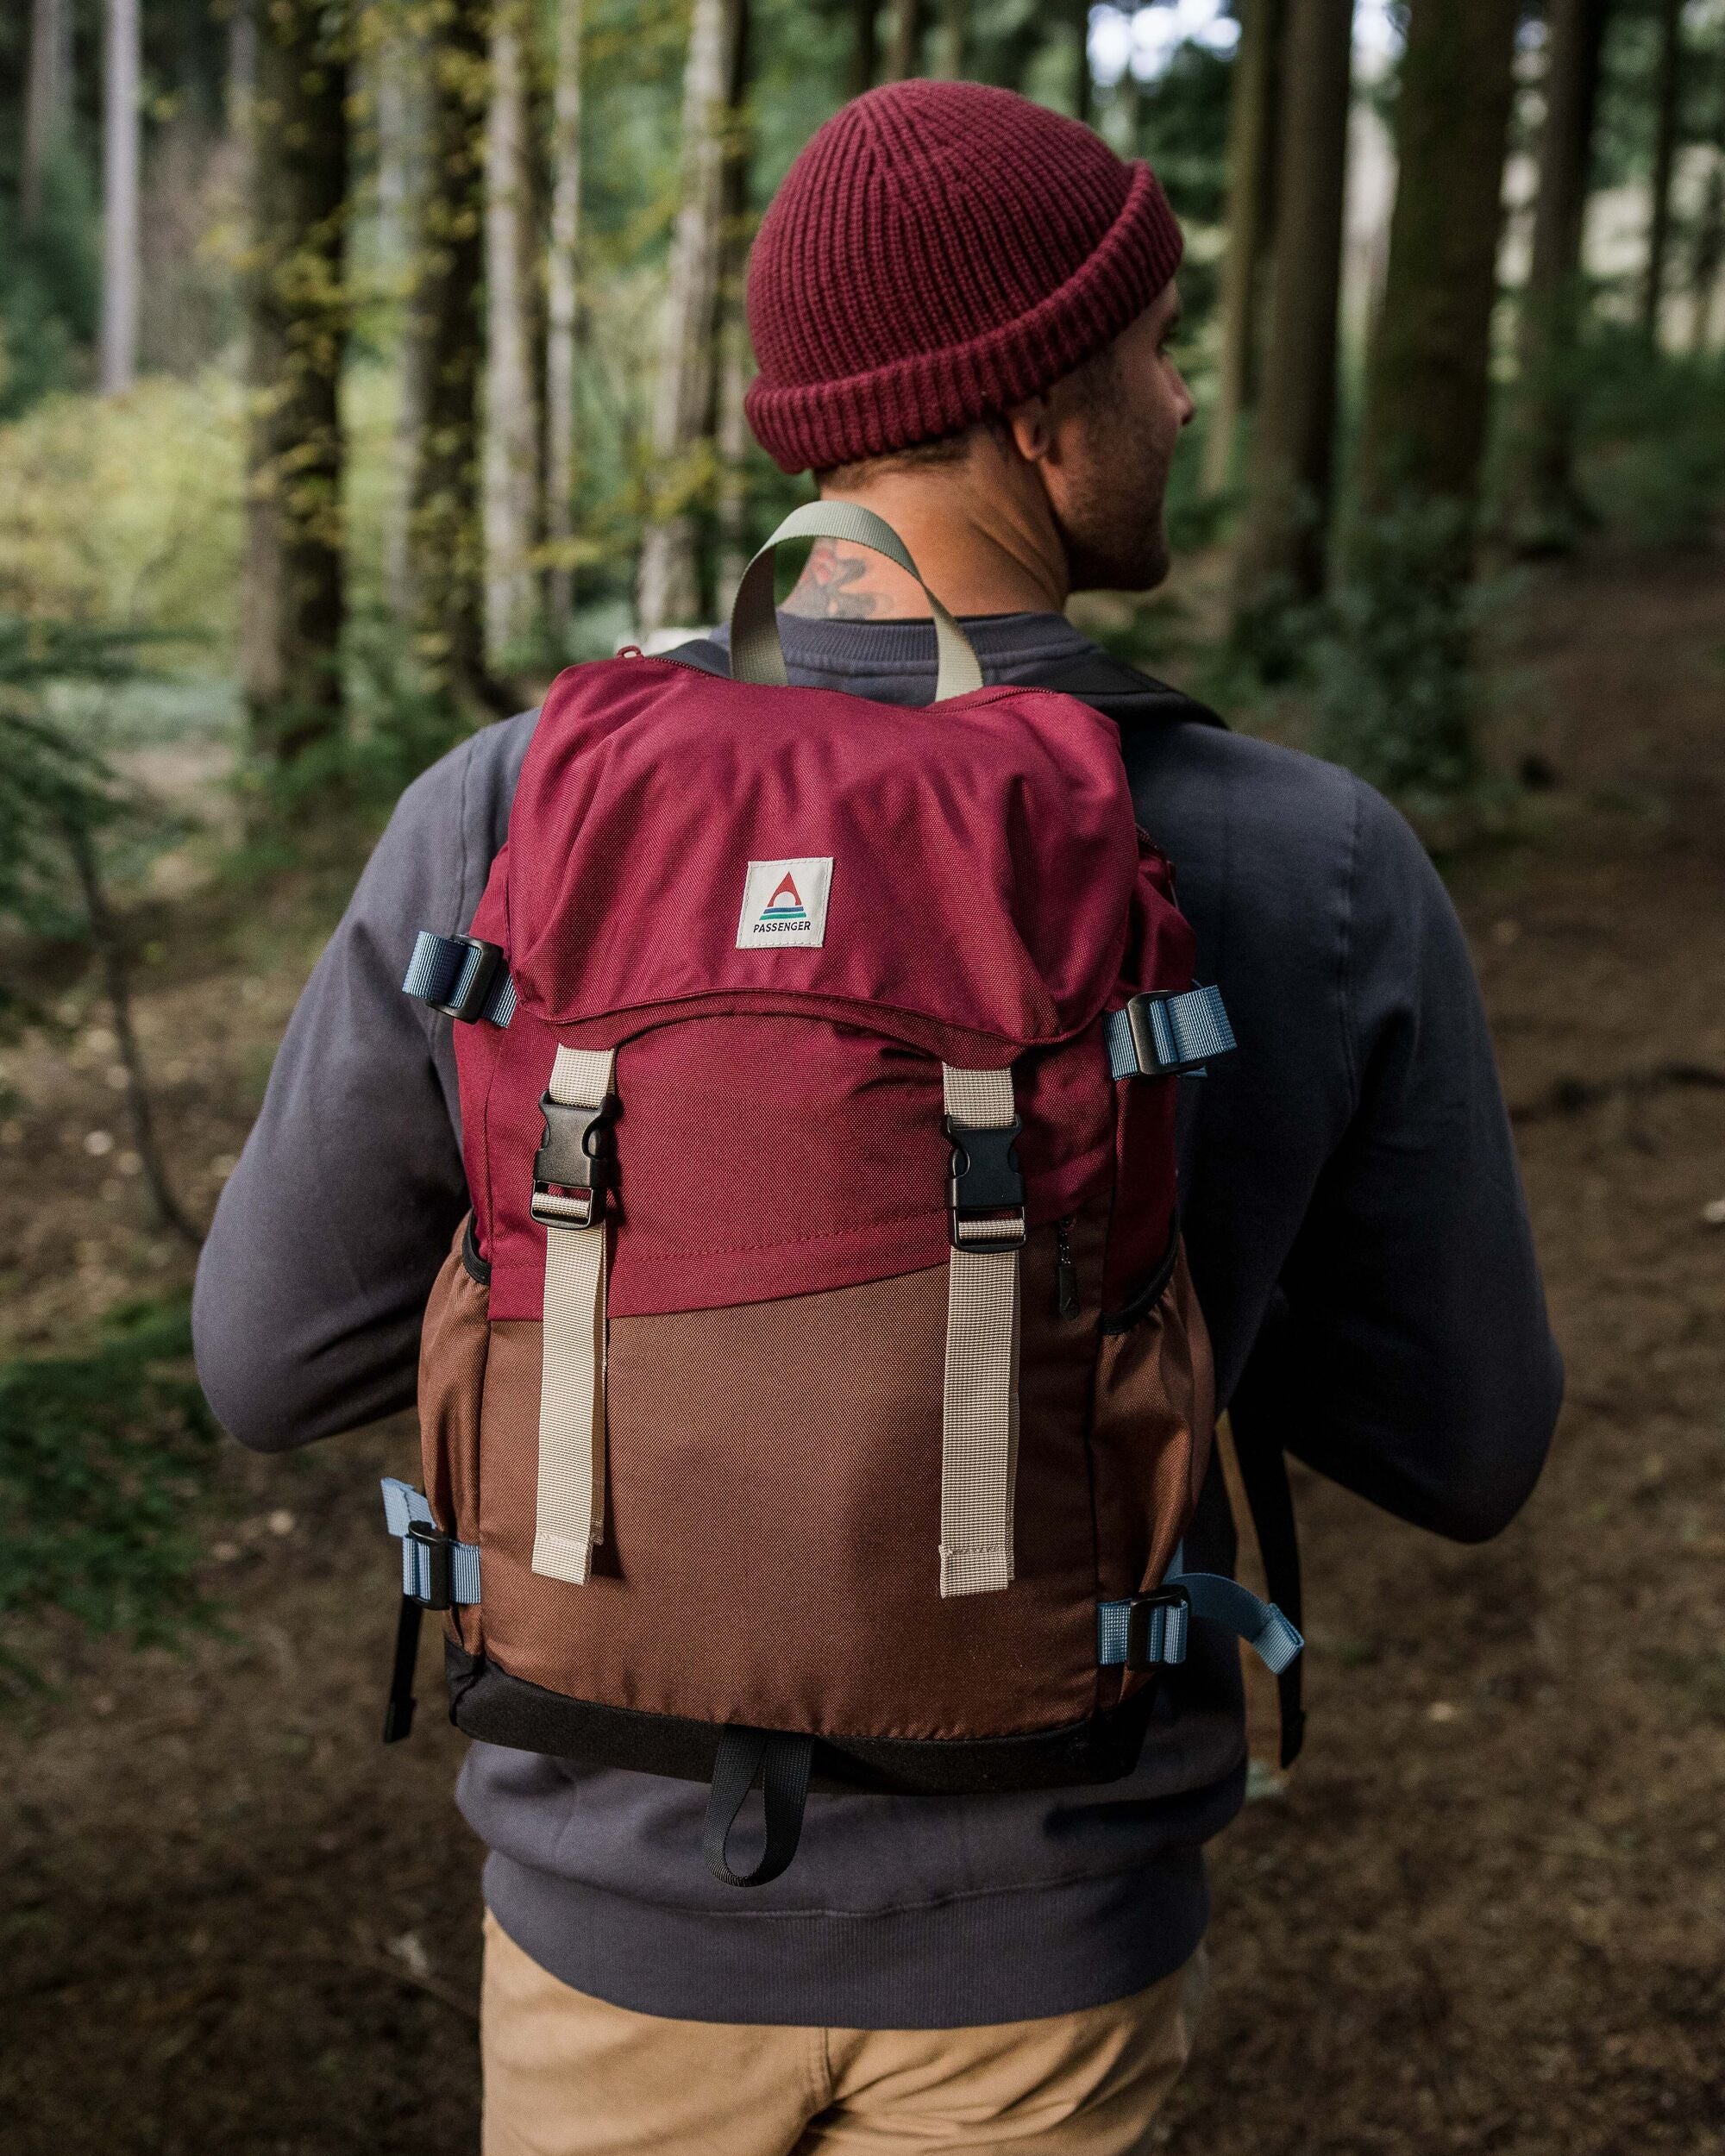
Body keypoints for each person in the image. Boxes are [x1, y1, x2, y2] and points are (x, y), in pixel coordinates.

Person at [194, 78, 1562, 2155]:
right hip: (1037, 1950)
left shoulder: (514, 805)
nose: (1183, 397)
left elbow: (268, 1357)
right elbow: (1470, 1449)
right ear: (1038, 402)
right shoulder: (1309, 860)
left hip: (605, 1942)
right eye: (1155, 345)